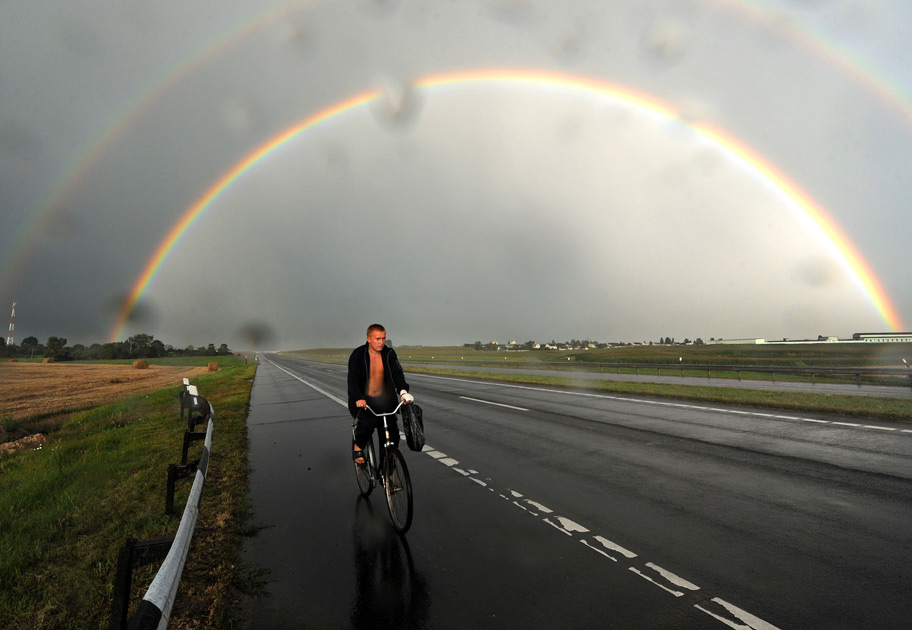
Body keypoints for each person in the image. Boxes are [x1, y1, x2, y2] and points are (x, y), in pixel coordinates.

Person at [348, 323, 413, 464]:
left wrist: (403, 392)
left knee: (393, 436)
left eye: (383, 338)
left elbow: (397, 373)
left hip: (386, 402)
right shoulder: (358, 355)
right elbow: (352, 380)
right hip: (365, 402)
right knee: (368, 423)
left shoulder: (389, 353)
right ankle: (358, 446)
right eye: (378, 339)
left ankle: (388, 474)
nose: (381, 342)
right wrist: (358, 397)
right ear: (369, 338)